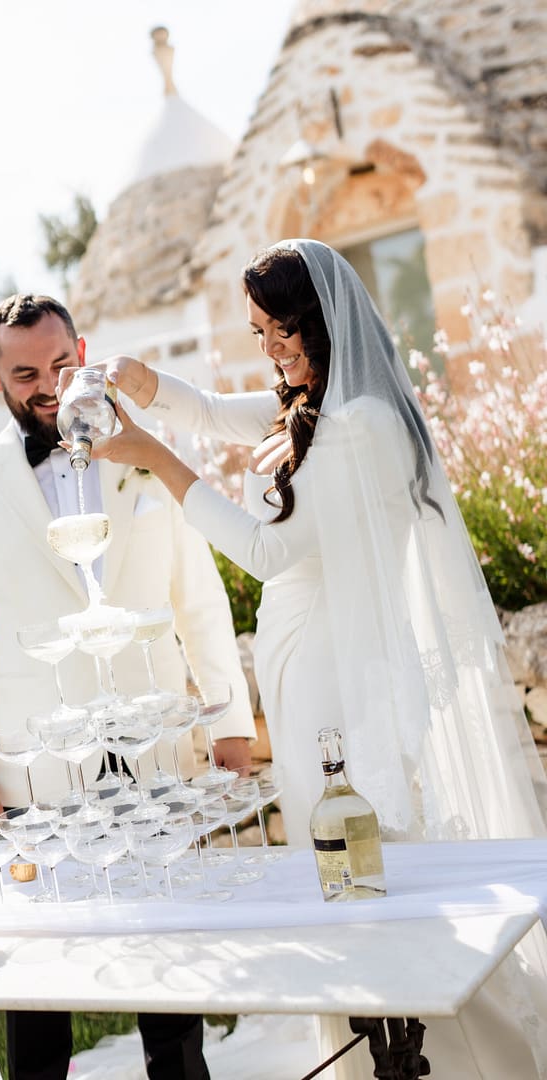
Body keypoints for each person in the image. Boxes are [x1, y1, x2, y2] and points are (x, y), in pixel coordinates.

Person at [91, 238, 547, 1079]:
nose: (268, 350)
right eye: (257, 332)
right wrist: (154, 391)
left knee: (374, 885)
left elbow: (268, 554)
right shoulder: (324, 400)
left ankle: (459, 1058)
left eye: (278, 331)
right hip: (307, 678)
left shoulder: (362, 426)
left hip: (340, 688)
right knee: (337, 884)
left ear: (318, 322)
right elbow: (229, 413)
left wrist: (154, 459)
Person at [0, 293, 256, 1080]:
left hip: (156, 761)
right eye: (25, 373)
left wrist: (231, 722)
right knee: (40, 1010)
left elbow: (199, 602)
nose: (47, 385)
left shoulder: (147, 454)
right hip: (35, 776)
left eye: (62, 364)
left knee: (172, 997)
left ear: (86, 349)